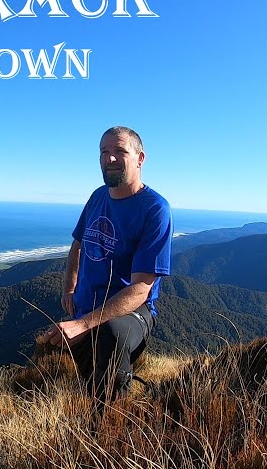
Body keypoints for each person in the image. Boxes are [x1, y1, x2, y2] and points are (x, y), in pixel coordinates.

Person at [39, 126, 173, 401]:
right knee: (47, 351)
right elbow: (78, 244)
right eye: (104, 152)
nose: (110, 159)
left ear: (140, 158)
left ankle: (113, 421)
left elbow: (141, 289)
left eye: (120, 151)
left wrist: (83, 324)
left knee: (111, 334)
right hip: (86, 309)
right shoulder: (98, 196)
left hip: (132, 313)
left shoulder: (155, 209)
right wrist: (69, 288)